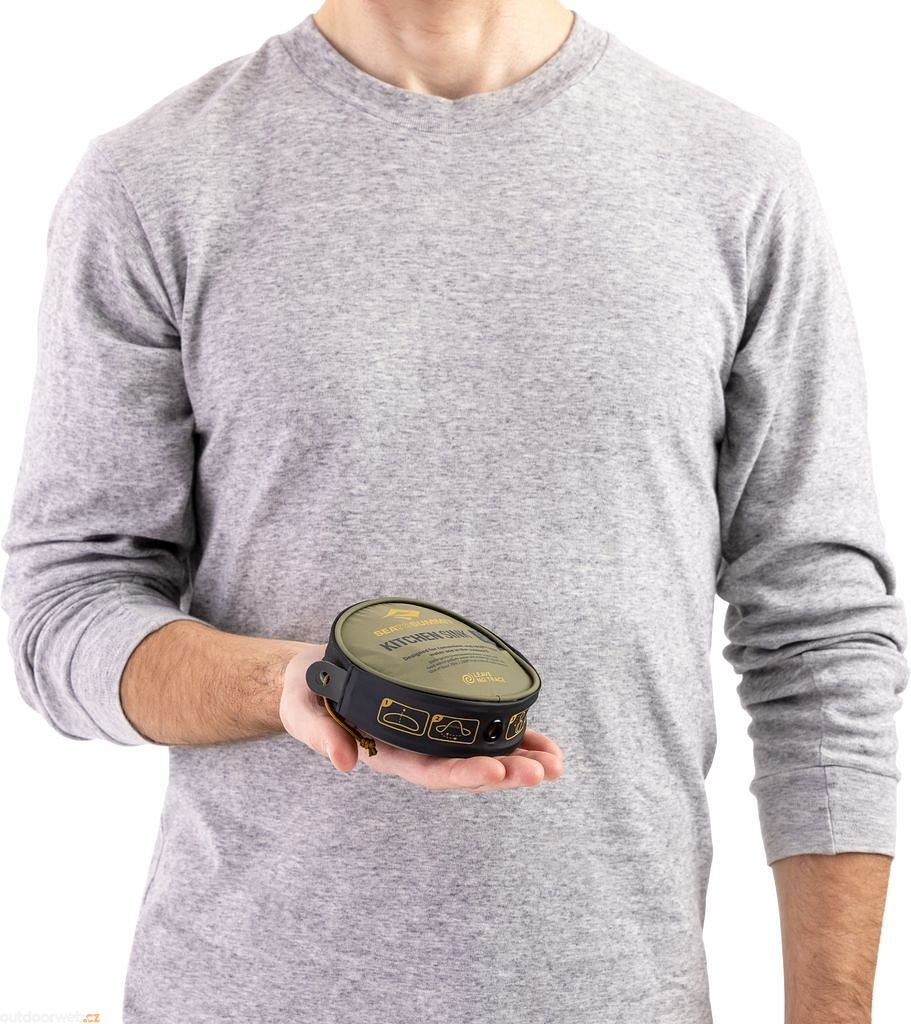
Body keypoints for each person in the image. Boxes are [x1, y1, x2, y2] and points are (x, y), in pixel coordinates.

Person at [2, 1, 906, 1021]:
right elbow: (66, 607)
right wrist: (291, 684)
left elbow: (820, 636)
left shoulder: (735, 177)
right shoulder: (154, 179)